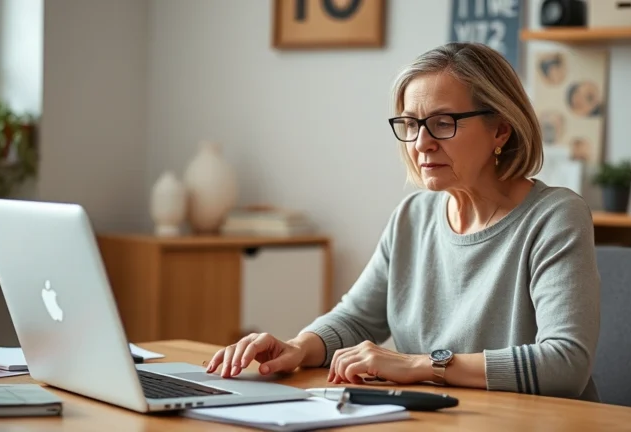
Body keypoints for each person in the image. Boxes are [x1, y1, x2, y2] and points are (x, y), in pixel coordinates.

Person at [205, 42, 601, 401]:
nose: (421, 143)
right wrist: (298, 347)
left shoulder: (555, 216)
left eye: (444, 123)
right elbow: (357, 318)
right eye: (410, 124)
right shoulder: (412, 217)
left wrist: (418, 365)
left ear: (500, 129)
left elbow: (564, 365)